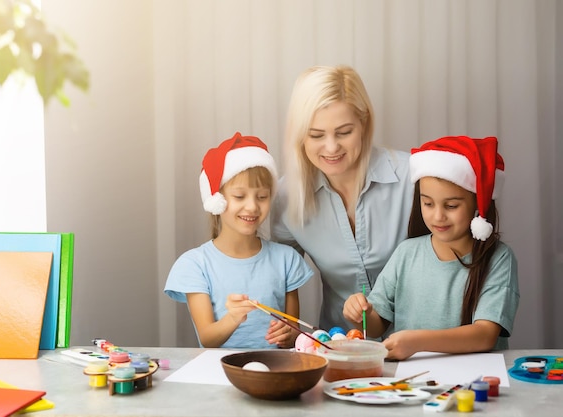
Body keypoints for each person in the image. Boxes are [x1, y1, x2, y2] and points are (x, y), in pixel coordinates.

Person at [342, 136, 520, 360]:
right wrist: (363, 312)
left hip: (476, 381)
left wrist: (417, 343)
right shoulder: (406, 253)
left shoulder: (499, 258)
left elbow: (484, 335)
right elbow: (377, 327)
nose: (438, 216)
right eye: (427, 203)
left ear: (478, 204)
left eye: (451, 205)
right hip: (411, 384)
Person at [270, 65, 414, 331]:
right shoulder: (286, 198)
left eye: (344, 132)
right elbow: (280, 281)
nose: (332, 147)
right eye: (316, 135)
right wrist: (285, 328)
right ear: (300, 134)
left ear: (364, 123)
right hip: (340, 348)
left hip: (421, 348)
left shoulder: (411, 178)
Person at [164, 132, 314, 349]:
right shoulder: (195, 264)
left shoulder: (286, 259)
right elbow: (207, 339)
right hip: (219, 374)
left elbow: (292, 335)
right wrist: (232, 318)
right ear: (217, 200)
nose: (252, 207)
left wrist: (289, 335)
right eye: (239, 196)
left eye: (262, 197)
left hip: (276, 375)